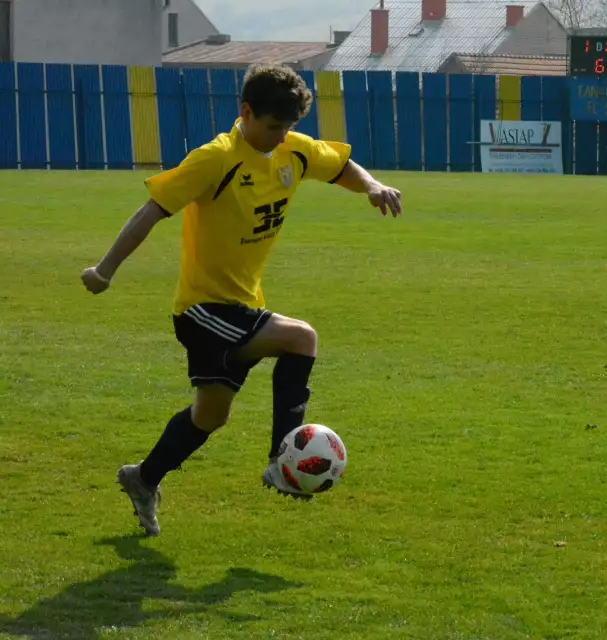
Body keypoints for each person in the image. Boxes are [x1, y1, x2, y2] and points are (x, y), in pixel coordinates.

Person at [81, 64, 402, 536]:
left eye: (288, 127)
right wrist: (104, 270)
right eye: (273, 127)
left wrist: (372, 186)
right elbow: (152, 211)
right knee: (301, 338)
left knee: (210, 417)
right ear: (246, 112)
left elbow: (339, 165)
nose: (281, 136)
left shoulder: (293, 150)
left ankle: (143, 478)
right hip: (202, 308)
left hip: (240, 306)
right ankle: (280, 461)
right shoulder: (216, 158)